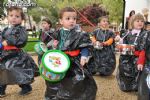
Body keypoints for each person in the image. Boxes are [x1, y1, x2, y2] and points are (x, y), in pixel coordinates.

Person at [44, 7, 97, 100]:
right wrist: (54, 46)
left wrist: (84, 56)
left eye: (74, 18)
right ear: (61, 21)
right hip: (60, 61)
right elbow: (50, 46)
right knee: (55, 81)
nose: (72, 21)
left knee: (78, 80)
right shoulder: (57, 33)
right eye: (68, 18)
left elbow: (85, 46)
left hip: (74, 62)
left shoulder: (81, 34)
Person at [0, 6, 37, 97]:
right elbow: (2, 39)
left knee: (16, 71)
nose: (13, 18)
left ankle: (26, 87)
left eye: (17, 16)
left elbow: (22, 40)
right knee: (2, 70)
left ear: (21, 19)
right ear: (8, 17)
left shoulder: (21, 29)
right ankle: (1, 89)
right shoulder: (5, 30)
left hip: (16, 55)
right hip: (5, 54)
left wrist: (9, 42)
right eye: (11, 15)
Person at [116, 13, 147, 92]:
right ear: (132, 22)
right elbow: (123, 43)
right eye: (137, 21)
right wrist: (120, 41)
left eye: (142, 21)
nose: (140, 23)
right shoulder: (128, 33)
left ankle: (136, 86)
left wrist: (140, 62)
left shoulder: (145, 34)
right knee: (125, 70)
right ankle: (126, 85)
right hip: (126, 56)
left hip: (138, 57)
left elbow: (143, 49)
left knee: (137, 71)